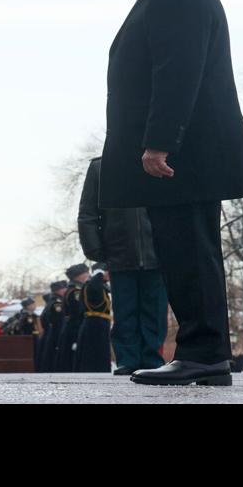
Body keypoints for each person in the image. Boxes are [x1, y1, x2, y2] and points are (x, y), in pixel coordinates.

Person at [99, 0, 243, 387]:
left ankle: (204, 354)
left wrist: (160, 141)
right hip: (189, 153)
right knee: (187, 251)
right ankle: (203, 354)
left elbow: (177, 72)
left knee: (189, 252)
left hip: (182, 156)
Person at [75, 155, 165, 375]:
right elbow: (88, 213)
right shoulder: (101, 167)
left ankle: (153, 359)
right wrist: (95, 250)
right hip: (119, 251)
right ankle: (128, 359)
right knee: (125, 312)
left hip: (158, 251)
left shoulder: (160, 161)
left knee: (155, 312)